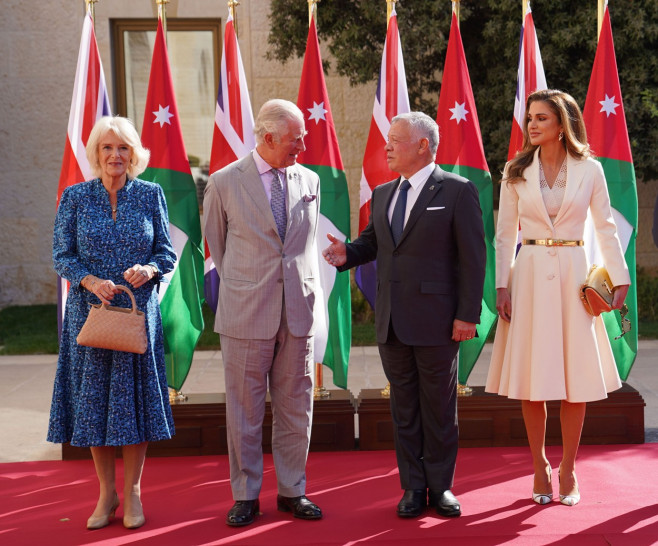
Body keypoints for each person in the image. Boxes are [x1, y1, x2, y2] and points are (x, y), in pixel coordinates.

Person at [323, 112, 486, 518]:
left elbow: (473, 258)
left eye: (396, 140)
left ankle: (441, 487)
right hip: (392, 321)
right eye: (388, 140)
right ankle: (413, 487)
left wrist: (467, 314)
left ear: (423, 146)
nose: (388, 147)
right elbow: (372, 243)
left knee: (439, 408)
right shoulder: (383, 193)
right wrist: (348, 253)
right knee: (405, 409)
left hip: (438, 321)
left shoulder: (457, 190)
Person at [486, 89, 630, 507]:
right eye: (530, 117)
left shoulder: (591, 170)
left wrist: (619, 277)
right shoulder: (515, 170)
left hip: (573, 275)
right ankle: (538, 466)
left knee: (574, 382)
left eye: (542, 118)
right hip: (527, 274)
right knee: (532, 383)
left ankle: (568, 467)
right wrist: (501, 285)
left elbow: (605, 226)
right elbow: (503, 235)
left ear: (562, 124)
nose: (531, 125)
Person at [48, 116, 177, 530]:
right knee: (94, 407)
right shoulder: (75, 197)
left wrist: (149, 269)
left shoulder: (150, 194)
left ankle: (135, 491)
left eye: (122, 148)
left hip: (138, 316)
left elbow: (167, 253)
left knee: (134, 404)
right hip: (90, 317)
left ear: (134, 154)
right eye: (107, 148)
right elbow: (61, 255)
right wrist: (88, 280)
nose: (115, 156)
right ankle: (107, 494)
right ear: (95, 153)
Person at [203, 99, 322, 527]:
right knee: (244, 410)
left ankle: (293, 490)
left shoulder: (309, 178)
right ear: (268, 138)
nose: (303, 146)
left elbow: (303, 247)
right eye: (296, 138)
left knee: (296, 406)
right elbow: (216, 245)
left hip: (298, 312)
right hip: (246, 312)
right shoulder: (223, 182)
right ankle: (246, 495)